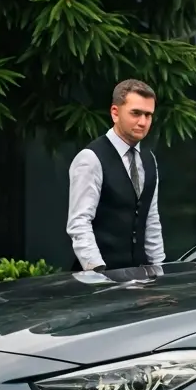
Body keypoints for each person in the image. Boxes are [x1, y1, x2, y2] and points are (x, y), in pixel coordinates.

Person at [65, 79, 166, 273]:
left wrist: (160, 269)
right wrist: (97, 272)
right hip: (100, 279)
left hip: (141, 279)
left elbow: (151, 218)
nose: (143, 122)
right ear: (115, 113)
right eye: (136, 113)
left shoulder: (148, 158)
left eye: (148, 115)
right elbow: (79, 222)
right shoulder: (91, 158)